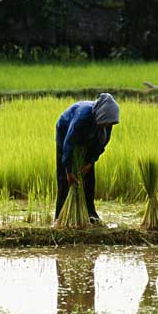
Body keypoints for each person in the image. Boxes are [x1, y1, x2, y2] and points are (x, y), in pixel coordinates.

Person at [55, 93, 120, 223]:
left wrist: (90, 161)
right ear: (100, 116)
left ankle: (90, 213)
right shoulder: (82, 118)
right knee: (64, 180)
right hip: (65, 132)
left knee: (89, 177)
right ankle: (60, 216)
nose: (108, 125)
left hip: (90, 139)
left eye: (110, 123)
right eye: (106, 123)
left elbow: (103, 142)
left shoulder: (107, 123)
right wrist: (68, 170)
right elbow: (69, 143)